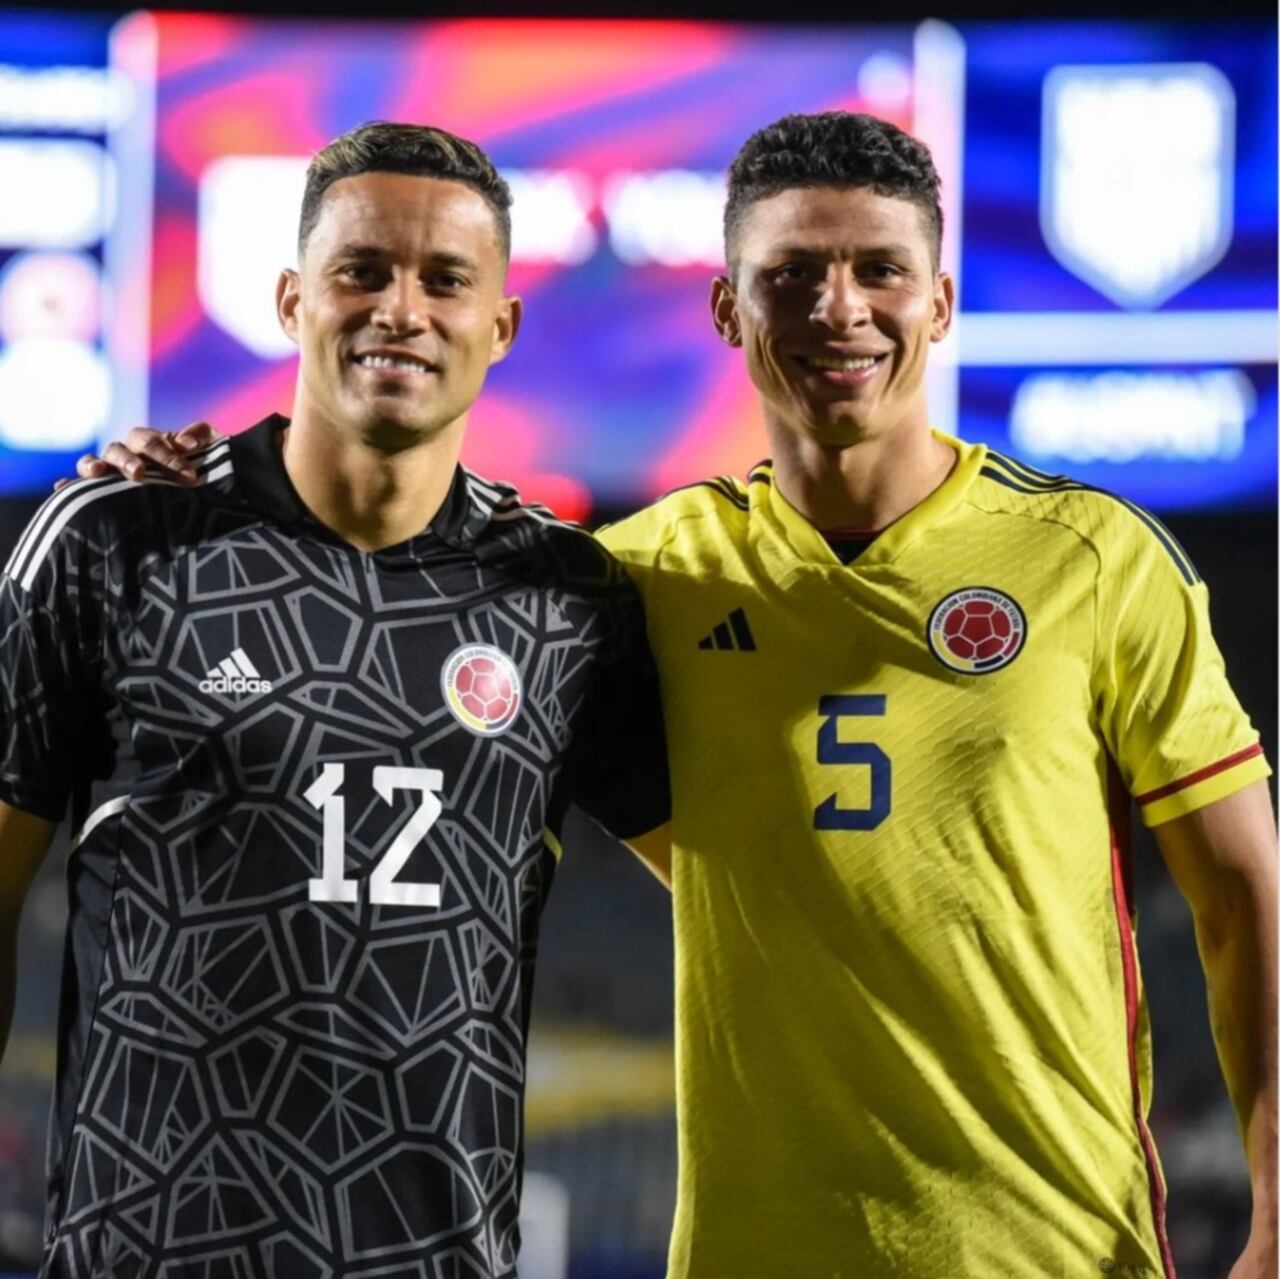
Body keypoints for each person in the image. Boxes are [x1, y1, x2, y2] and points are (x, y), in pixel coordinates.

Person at [75, 112, 1276, 1279]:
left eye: (880, 271)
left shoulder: (1091, 558)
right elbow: (395, 563)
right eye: (792, 273)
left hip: (1052, 1247)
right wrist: (185, 482)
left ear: (941, 302)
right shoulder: (636, 579)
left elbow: (1241, 901)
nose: (838, 309)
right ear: (725, 308)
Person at [0, 121, 669, 1278]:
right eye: (361, 270)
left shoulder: (570, 600)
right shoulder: (117, 541)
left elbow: (741, 899)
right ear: (291, 299)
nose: (400, 308)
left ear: (500, 325)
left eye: (445, 279)